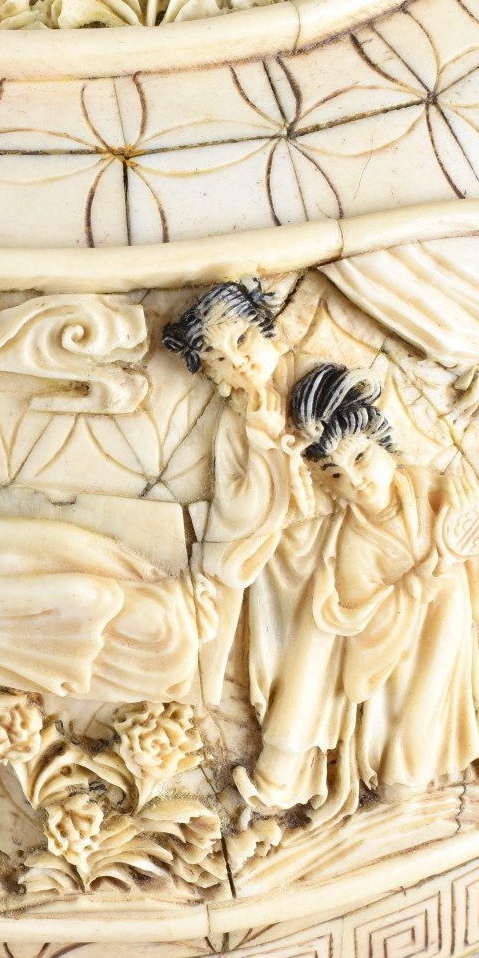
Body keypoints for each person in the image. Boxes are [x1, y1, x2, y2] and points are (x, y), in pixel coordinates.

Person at [238, 363, 479, 821]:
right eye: (336, 474)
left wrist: (461, 531)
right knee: (398, 736)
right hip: (395, 645)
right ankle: (391, 769)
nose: (356, 481)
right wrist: (415, 585)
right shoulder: (353, 541)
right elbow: (358, 620)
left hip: (444, 628)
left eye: (360, 457)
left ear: (383, 442)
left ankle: (413, 766)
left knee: (432, 680)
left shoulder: (433, 491)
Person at [163, 280, 320, 706]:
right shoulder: (236, 422)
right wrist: (263, 443)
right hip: (259, 556)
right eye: (219, 358)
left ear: (264, 325)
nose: (239, 362)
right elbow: (235, 508)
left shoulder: (310, 388)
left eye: (241, 340)